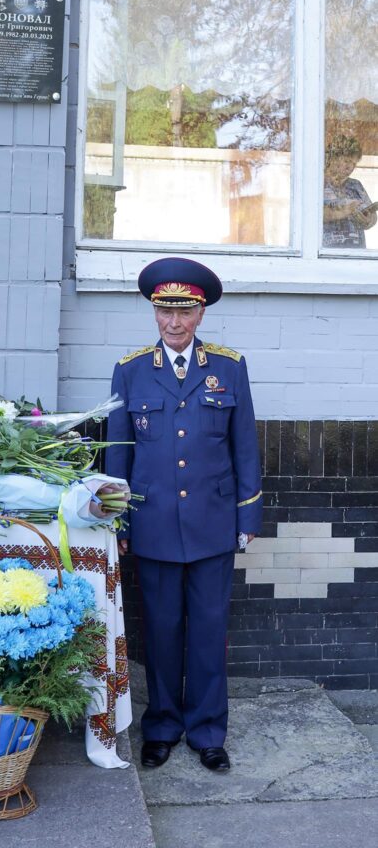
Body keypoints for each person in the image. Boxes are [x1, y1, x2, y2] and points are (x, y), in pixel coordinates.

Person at [106, 257, 262, 773]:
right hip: (152, 523)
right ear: (155, 313)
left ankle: (208, 731)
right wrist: (119, 520)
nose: (174, 323)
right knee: (162, 631)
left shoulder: (229, 367)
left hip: (214, 523)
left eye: (185, 312)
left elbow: (244, 446)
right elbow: (119, 452)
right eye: (165, 312)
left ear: (201, 314)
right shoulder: (130, 370)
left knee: (210, 632)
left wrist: (248, 517)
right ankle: (163, 726)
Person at [323, 135, 377, 249]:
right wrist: (341, 212)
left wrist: (368, 220)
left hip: (356, 253)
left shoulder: (356, 185)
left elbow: (373, 217)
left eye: (354, 164)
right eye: (347, 161)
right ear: (333, 158)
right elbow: (310, 215)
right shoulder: (317, 183)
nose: (350, 167)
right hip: (325, 253)